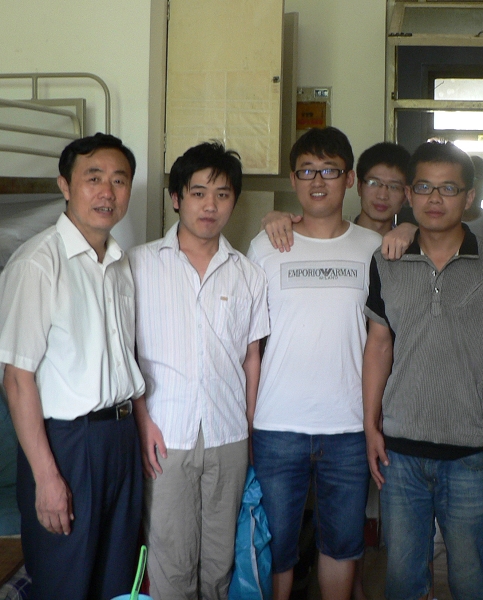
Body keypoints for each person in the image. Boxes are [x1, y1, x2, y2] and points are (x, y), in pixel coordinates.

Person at [363, 140, 483, 600]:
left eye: (448, 188)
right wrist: (370, 426)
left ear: (469, 197)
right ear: (409, 194)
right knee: (403, 579)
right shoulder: (386, 261)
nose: (435, 199)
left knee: (471, 579)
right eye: (425, 187)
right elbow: (379, 346)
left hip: (471, 453)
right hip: (400, 450)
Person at [0, 133, 145, 599]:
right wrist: (46, 477)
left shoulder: (120, 264)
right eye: (93, 178)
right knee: (66, 579)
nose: (107, 192)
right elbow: (17, 379)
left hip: (120, 438)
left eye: (119, 180)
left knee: (117, 578)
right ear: (65, 185)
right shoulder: (38, 263)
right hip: (68, 444)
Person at [129, 142, 269, 599]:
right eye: (198, 193)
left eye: (223, 194)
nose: (211, 205)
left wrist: (250, 427)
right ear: (176, 198)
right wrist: (142, 422)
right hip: (164, 436)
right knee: (171, 563)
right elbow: (127, 352)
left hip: (229, 435)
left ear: (234, 202)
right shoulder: (138, 265)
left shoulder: (248, 274)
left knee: (219, 564)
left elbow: (251, 357)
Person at [247, 127, 382, 600]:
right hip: (276, 425)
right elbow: (250, 346)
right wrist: (249, 422)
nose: (318, 181)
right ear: (293, 179)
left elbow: (383, 341)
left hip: (348, 427)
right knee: (276, 547)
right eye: (307, 171)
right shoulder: (265, 246)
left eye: (329, 170)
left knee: (341, 547)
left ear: (349, 179)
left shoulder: (373, 248)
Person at [262, 141, 414, 255]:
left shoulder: (412, 243)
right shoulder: (333, 237)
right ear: (358, 186)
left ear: (406, 195)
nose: (382, 195)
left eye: (394, 187)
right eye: (373, 183)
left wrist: (416, 232)